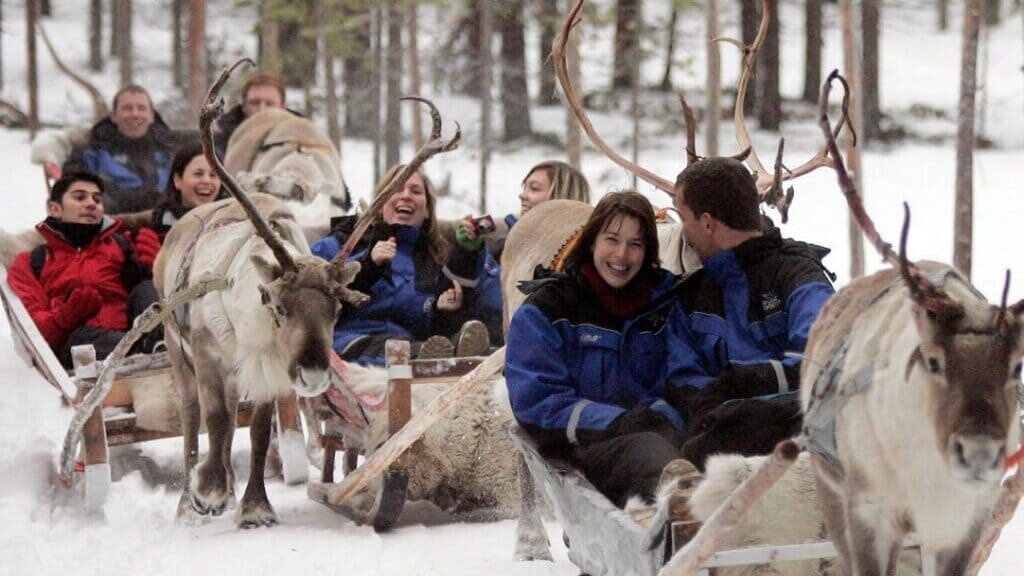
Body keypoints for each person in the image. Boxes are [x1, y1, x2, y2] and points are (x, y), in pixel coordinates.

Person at [505, 191, 697, 514]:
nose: (622, 255)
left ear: (648, 251)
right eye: (612, 240)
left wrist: (663, 416)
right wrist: (617, 422)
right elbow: (536, 400)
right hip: (586, 445)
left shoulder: (666, 305)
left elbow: (682, 375)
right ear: (591, 240)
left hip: (661, 434)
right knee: (653, 456)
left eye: (635, 245)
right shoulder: (550, 309)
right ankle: (687, 524)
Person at [664, 157, 836, 467]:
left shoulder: (798, 276)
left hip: (803, 433)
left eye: (683, 218)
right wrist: (718, 406)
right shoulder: (690, 298)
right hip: (720, 440)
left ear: (706, 223)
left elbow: (822, 359)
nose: (683, 232)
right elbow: (684, 380)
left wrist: (742, 386)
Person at [311, 164, 502, 366]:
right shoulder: (343, 244)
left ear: (427, 210)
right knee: (403, 348)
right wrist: (368, 266)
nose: (406, 195)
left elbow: (432, 331)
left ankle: (462, 355)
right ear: (380, 202)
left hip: (409, 348)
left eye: (416, 191)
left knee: (417, 347)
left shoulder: (434, 259)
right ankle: (447, 357)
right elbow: (314, 295)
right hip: (348, 346)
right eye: (397, 188)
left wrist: (443, 310)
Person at [7, 172, 163, 368]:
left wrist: (156, 269)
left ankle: (157, 344)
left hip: (131, 330)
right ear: (55, 209)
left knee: (147, 288)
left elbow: (171, 295)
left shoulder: (124, 244)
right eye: (80, 197)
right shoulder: (32, 262)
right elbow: (31, 329)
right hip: (79, 348)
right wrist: (65, 317)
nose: (91, 204)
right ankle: (147, 349)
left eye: (97, 199)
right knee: (82, 337)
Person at [62, 85, 177, 215]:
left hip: (165, 225)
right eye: (127, 108)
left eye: (141, 108)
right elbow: (75, 192)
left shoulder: (170, 150)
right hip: (108, 225)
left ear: (152, 115)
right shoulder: (91, 150)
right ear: (113, 116)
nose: (135, 114)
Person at [459, 160, 590, 261]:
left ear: (562, 196)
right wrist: (471, 249)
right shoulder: (503, 231)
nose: (522, 195)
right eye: (524, 187)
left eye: (534, 188)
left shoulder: (584, 251)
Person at [115, 142, 227, 239]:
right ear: (177, 180)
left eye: (214, 175)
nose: (207, 181)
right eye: (198, 174)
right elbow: (106, 224)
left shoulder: (232, 222)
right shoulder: (157, 220)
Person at [212, 72, 290, 158]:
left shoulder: (298, 144)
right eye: (255, 103)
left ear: (283, 108)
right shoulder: (219, 147)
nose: (262, 110)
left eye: (270, 104)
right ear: (244, 106)